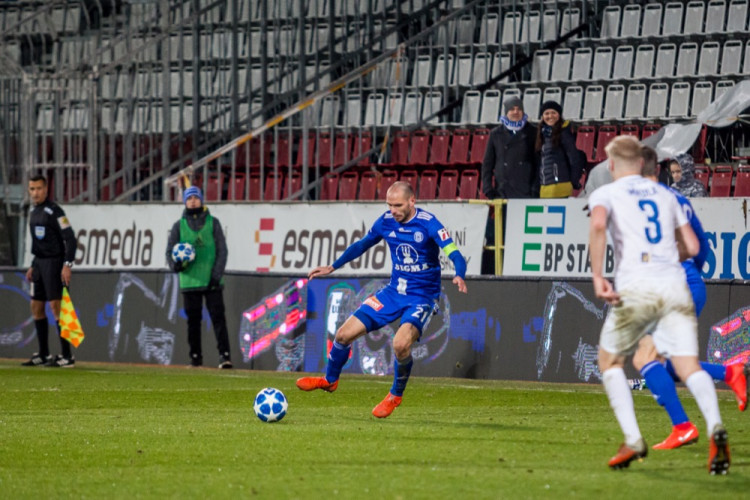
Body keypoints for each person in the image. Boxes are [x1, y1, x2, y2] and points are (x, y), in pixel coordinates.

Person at [588, 135, 729, 474]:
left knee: (610, 360)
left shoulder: (605, 193)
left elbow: (597, 226)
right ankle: (715, 428)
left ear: (611, 165)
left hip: (638, 286)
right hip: (676, 284)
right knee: (687, 365)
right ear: (642, 163)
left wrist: (598, 277)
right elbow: (694, 247)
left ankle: (634, 438)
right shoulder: (668, 195)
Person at [296, 181, 468, 418]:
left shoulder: (429, 223)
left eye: (398, 205)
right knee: (343, 335)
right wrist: (333, 266)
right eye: (389, 205)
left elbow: (455, 253)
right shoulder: (386, 221)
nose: (393, 210)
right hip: (392, 293)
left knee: (400, 345)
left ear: (412, 201)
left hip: (422, 298)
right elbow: (362, 245)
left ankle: (395, 395)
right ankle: (329, 380)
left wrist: (459, 274)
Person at [633, 146, 748, 451]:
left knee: (646, 357)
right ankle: (728, 372)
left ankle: (683, 426)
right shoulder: (678, 200)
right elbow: (703, 246)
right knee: (666, 362)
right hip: (690, 284)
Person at [166, 186, 232, 369]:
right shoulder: (178, 226)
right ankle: (195, 357)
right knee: (193, 322)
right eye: (189, 198)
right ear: (185, 202)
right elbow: (170, 251)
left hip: (212, 281)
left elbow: (222, 251)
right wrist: (176, 265)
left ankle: (224, 356)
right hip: (189, 281)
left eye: (196, 197)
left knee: (218, 319)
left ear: (202, 200)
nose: (193, 201)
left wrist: (216, 275)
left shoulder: (213, 223)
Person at [22, 174, 78, 368]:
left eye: (38, 189)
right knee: (36, 307)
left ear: (46, 190)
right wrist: (33, 264)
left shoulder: (55, 211)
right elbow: (40, 242)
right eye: (32, 189)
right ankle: (44, 354)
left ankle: (67, 356)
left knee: (57, 308)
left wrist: (67, 265)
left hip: (54, 264)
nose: (35, 193)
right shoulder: (33, 211)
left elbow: (71, 239)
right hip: (39, 264)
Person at [481, 96, 538, 199]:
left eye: (519, 109)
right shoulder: (496, 134)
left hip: (526, 191)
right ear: (506, 112)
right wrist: (488, 188)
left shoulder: (533, 132)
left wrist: (535, 188)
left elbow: (538, 163)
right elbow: (487, 164)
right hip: (502, 191)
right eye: (512, 109)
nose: (516, 112)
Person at [535, 100, 584, 198]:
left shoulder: (564, 133)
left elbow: (574, 159)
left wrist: (573, 181)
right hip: (545, 185)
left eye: (553, 113)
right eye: (547, 113)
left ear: (559, 115)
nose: (550, 116)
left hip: (560, 185)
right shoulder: (542, 133)